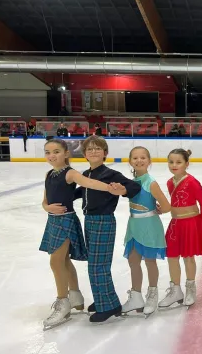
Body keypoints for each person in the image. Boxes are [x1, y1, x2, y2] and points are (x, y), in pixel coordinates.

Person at [40, 138, 122, 330]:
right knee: (63, 260)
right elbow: (45, 200)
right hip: (53, 220)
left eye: (56, 152)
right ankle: (75, 295)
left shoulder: (70, 173)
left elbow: (89, 183)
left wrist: (110, 188)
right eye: (48, 152)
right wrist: (46, 207)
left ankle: (63, 302)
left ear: (66, 153)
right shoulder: (49, 174)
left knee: (56, 262)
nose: (52, 156)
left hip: (66, 221)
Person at [74, 136, 141, 323]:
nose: (93, 151)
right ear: (84, 154)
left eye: (97, 148)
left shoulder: (110, 174)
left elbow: (133, 187)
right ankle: (103, 299)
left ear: (105, 153)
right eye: (89, 149)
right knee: (95, 263)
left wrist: (122, 190)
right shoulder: (86, 175)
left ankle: (108, 306)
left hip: (103, 221)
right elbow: (80, 191)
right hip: (89, 221)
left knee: (98, 265)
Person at [121, 147, 172, 318]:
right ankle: (136, 296)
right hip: (134, 225)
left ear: (149, 161)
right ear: (130, 161)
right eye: (135, 158)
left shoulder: (151, 182)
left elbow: (167, 206)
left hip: (149, 225)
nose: (139, 160)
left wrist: (157, 210)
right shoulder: (132, 182)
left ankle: (152, 293)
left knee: (150, 261)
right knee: (133, 260)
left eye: (143, 157)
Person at [159, 149, 202, 309]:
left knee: (188, 256)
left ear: (187, 164)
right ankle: (175, 290)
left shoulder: (192, 182)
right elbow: (174, 203)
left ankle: (190, 288)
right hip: (175, 223)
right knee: (172, 256)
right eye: (171, 162)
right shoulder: (169, 182)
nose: (174, 165)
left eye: (178, 162)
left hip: (190, 223)